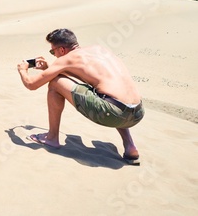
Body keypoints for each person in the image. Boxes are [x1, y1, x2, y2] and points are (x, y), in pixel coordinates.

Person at [17, 28, 144, 165]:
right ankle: (130, 146)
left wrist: (22, 70)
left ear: (62, 50)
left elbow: (31, 84)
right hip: (137, 113)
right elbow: (82, 76)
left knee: (54, 83)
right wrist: (49, 69)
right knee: (109, 94)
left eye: (53, 51)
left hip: (112, 114)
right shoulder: (99, 49)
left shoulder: (66, 59)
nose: (54, 55)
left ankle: (52, 137)